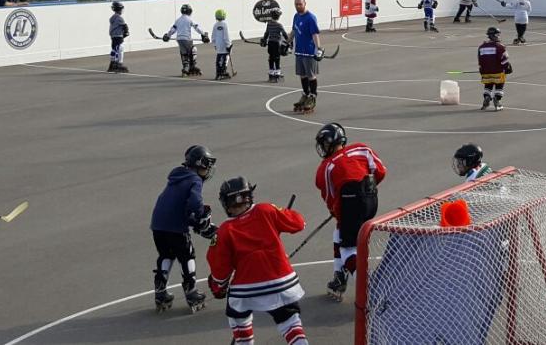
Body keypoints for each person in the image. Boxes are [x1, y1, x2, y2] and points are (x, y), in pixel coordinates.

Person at [206, 177, 311, 345]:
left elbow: (220, 270)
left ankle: (244, 340)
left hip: (247, 289)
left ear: (226, 203)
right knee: (290, 323)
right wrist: (283, 214)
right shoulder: (266, 210)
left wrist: (218, 286)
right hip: (282, 282)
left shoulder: (225, 230)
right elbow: (299, 224)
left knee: (237, 315)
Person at [314, 123, 387, 302]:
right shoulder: (361, 149)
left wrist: (337, 211)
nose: (322, 147)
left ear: (330, 143)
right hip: (371, 201)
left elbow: (331, 198)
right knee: (339, 233)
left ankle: (370, 292)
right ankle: (339, 277)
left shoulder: (326, 167)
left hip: (350, 205)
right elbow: (380, 171)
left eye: (324, 143)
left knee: (348, 248)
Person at [150, 145, 217, 313]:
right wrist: (201, 218)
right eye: (207, 165)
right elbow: (194, 204)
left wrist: (193, 220)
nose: (208, 169)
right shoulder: (194, 179)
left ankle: (160, 292)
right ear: (199, 164)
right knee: (187, 254)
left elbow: (178, 204)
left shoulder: (177, 176)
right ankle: (191, 291)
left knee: (166, 255)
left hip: (158, 224)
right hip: (175, 226)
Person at [292, 0, 324, 114]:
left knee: (311, 75)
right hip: (299, 51)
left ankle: (312, 96)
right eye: (296, 4)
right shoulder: (296, 16)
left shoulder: (311, 18)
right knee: (302, 75)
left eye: (300, 4)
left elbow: (315, 35)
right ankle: (305, 94)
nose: (298, 6)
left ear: (305, 3)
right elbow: (294, 31)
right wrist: (287, 42)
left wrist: (318, 49)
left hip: (309, 52)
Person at [163, 4, 207, 77]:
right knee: (193, 50)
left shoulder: (178, 20)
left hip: (179, 39)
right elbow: (197, 28)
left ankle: (186, 68)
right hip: (187, 39)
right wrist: (203, 35)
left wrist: (168, 36)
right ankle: (192, 66)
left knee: (184, 53)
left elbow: (173, 29)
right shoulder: (189, 19)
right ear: (189, 11)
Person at [477, 26, 513, 111]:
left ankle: (487, 97)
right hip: (498, 71)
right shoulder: (500, 47)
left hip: (486, 71)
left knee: (488, 85)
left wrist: (481, 70)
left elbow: (480, 60)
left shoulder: (481, 47)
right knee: (499, 86)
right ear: (496, 35)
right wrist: (507, 67)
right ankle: (497, 100)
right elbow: (504, 59)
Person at [261, 7, 290, 83]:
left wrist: (264, 40)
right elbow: (284, 34)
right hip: (277, 43)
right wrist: (288, 42)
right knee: (277, 58)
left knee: (271, 58)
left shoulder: (269, 24)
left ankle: (271, 73)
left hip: (270, 43)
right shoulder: (279, 25)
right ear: (278, 17)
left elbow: (266, 33)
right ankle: (277, 73)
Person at [108, 1, 129, 73]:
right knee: (120, 48)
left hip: (113, 36)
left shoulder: (112, 17)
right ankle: (119, 64)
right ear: (119, 9)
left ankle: (112, 64)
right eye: (121, 9)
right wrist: (126, 32)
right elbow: (124, 26)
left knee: (114, 49)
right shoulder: (120, 18)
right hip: (118, 35)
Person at [213, 9, 233, 80]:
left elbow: (213, 35)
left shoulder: (215, 25)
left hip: (218, 44)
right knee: (225, 57)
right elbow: (226, 36)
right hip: (224, 44)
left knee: (219, 57)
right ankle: (223, 72)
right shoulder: (225, 24)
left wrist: (214, 44)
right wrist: (228, 45)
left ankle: (218, 72)